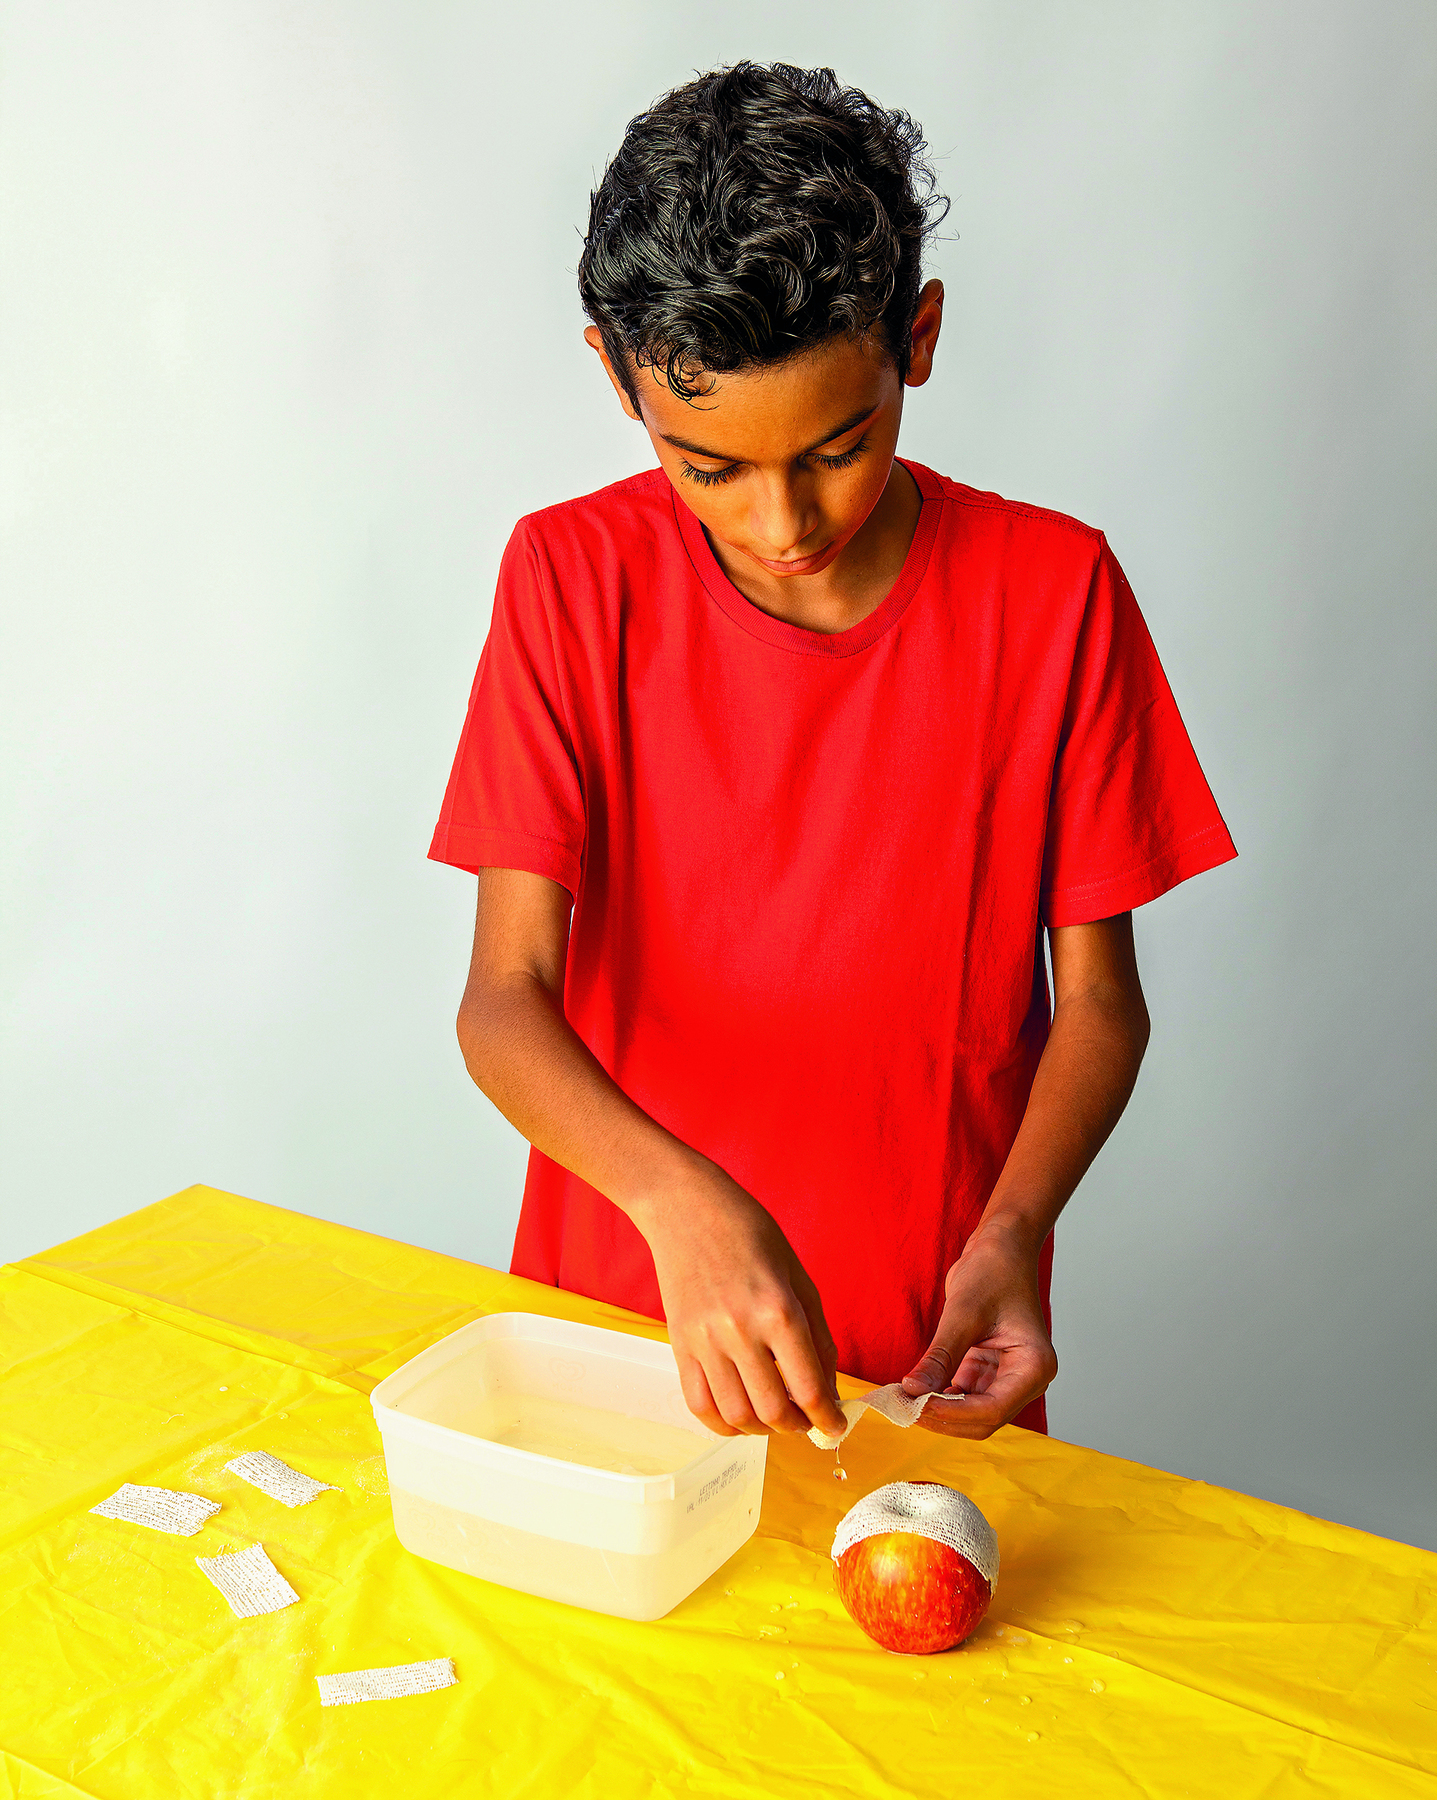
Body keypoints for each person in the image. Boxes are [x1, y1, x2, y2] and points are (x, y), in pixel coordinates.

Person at [430, 62, 1236, 1447]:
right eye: (709, 468)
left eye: (838, 446)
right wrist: (686, 1207)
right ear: (615, 379)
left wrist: (1014, 1235)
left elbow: (1096, 1002)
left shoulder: (1053, 594)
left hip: (921, 1349)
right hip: (621, 1336)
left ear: (915, 337)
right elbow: (502, 1001)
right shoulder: (568, 577)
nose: (780, 518)